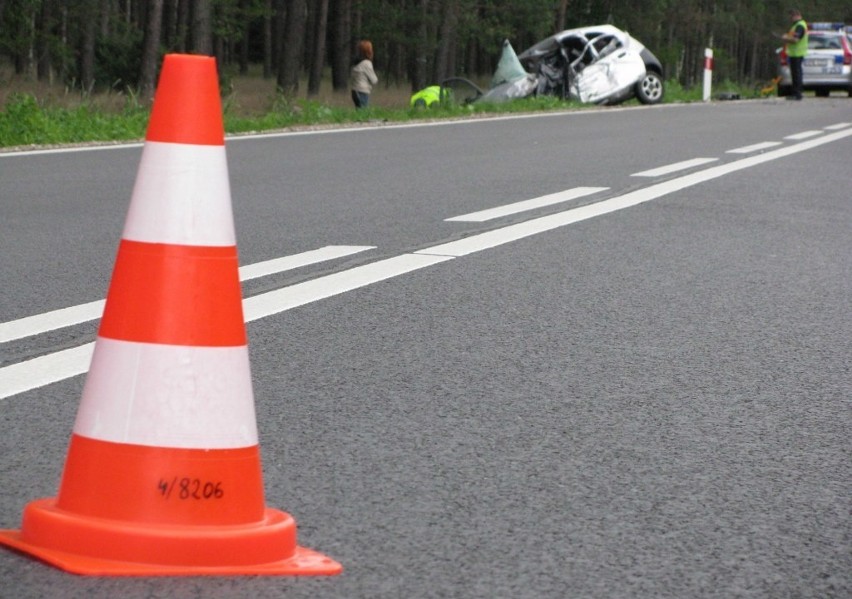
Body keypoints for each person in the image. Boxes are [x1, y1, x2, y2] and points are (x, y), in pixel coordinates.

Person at [780, 9, 808, 100]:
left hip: (797, 53)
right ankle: (796, 93)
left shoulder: (800, 26)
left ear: (796, 15)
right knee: (795, 74)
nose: (790, 19)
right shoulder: (797, 25)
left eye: (791, 16)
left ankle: (797, 94)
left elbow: (796, 40)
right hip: (794, 53)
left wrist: (785, 38)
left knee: (796, 74)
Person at [350, 40, 378, 108]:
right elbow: (374, 80)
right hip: (362, 92)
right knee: (364, 114)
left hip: (354, 91)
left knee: (359, 113)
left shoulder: (356, 63)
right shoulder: (367, 64)